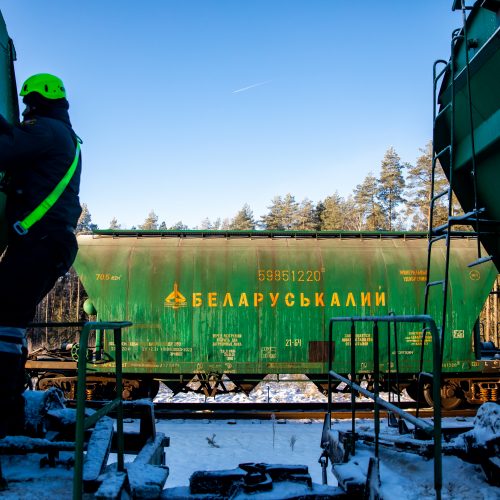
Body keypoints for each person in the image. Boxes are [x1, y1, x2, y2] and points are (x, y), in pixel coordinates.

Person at [0, 73, 82, 437]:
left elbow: (6, 149)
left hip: (39, 243)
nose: (24, 108)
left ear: (34, 100)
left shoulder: (44, 130)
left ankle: (4, 416)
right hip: (49, 245)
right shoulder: (61, 133)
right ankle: (8, 412)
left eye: (27, 102)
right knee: (10, 324)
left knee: (3, 321)